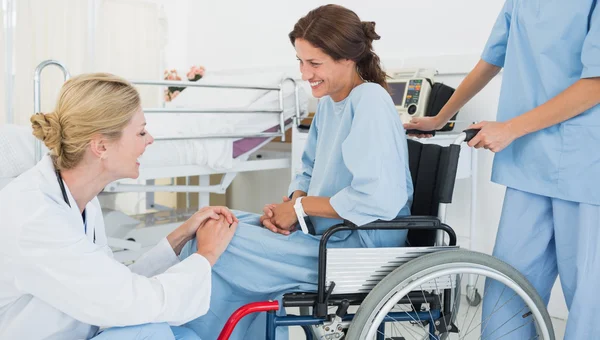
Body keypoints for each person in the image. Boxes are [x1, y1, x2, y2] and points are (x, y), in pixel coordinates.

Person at [179, 4, 414, 339]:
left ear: (347, 59)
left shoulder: (371, 101)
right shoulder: (330, 105)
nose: (305, 74)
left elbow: (377, 198)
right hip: (322, 234)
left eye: (314, 63)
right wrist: (290, 206)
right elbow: (308, 171)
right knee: (214, 222)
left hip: (358, 244)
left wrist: (300, 209)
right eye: (300, 62)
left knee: (221, 246)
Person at [404, 0, 600, 338]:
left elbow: (595, 83)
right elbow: (490, 61)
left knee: (589, 295)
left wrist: (510, 129)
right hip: (528, 164)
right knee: (509, 285)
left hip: (583, 164)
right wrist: (440, 116)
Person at [0, 73, 239, 340]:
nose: (149, 140)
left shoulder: (83, 202)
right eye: (140, 131)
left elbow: (109, 285)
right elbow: (127, 302)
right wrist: (205, 256)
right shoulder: (35, 218)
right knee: (153, 333)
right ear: (101, 146)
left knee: (182, 336)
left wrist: (180, 237)